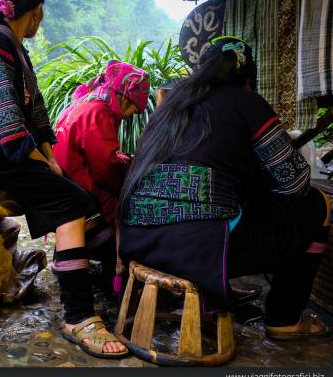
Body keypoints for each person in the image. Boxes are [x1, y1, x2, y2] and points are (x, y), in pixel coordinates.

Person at [118, 36, 331, 340]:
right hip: (199, 249)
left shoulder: (172, 103)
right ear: (247, 78)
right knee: (317, 204)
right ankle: (285, 318)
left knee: (226, 205)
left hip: (137, 240)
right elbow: (294, 183)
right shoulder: (247, 102)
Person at [0, 0, 128, 358]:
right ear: (37, 12)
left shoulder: (15, 47)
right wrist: (44, 165)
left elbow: (36, 116)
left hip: (7, 151)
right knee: (71, 203)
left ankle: (109, 275)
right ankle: (79, 315)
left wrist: (51, 160)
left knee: (79, 195)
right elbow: (6, 128)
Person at [53, 60, 149, 291]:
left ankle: (68, 260)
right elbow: (105, 168)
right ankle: (115, 281)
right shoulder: (98, 112)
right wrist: (134, 173)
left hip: (65, 183)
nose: (134, 114)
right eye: (136, 107)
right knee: (124, 217)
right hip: (79, 191)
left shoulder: (88, 101)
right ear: (127, 95)